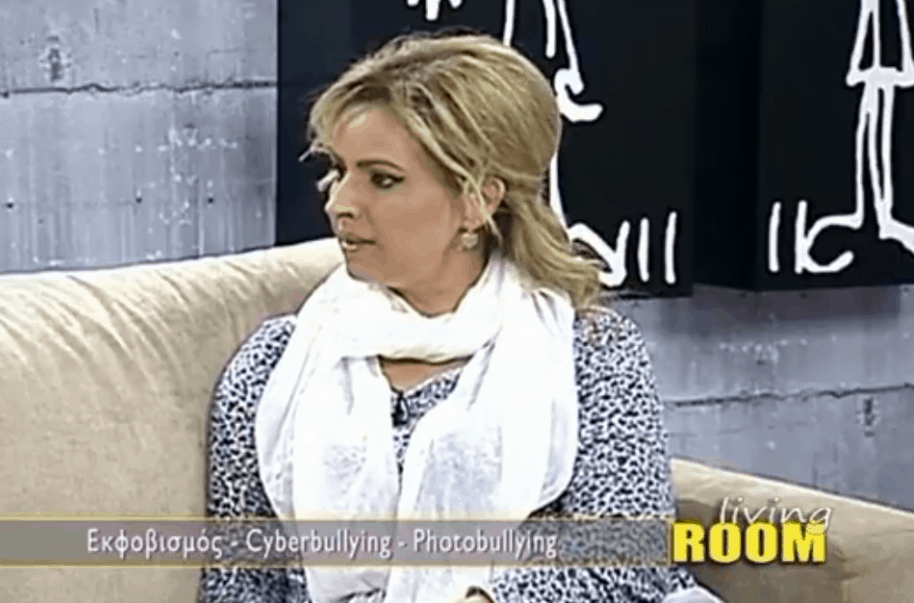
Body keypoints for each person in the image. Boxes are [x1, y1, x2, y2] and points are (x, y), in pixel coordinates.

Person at [199, 30, 717, 603]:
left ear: (478, 200)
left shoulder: (586, 350)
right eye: (339, 170)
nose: (339, 202)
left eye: (382, 179)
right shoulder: (274, 369)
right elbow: (239, 586)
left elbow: (628, 562)